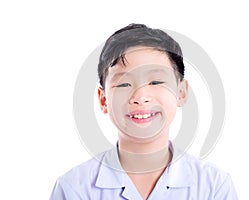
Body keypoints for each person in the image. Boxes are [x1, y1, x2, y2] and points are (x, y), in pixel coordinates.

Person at [50, 23, 238, 200]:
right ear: (103, 99)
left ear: (181, 92)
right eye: (124, 83)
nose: (141, 96)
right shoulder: (73, 188)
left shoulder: (214, 187)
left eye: (156, 81)